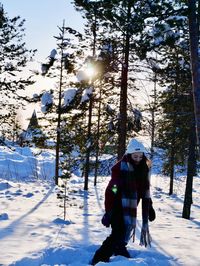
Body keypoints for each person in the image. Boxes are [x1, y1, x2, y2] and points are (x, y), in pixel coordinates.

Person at [91, 138, 155, 265]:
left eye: (140, 156)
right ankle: (99, 258)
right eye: (135, 156)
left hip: (130, 207)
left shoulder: (143, 169)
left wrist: (150, 208)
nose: (138, 159)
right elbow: (112, 189)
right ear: (129, 155)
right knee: (117, 233)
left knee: (126, 229)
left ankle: (120, 248)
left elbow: (143, 190)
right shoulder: (120, 168)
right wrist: (109, 210)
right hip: (117, 206)